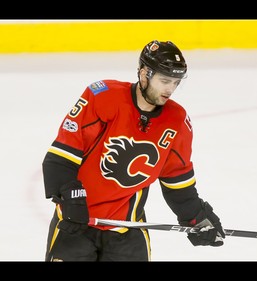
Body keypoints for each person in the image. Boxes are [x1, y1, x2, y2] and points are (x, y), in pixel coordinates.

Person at [42, 40, 225, 261]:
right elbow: (61, 157)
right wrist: (71, 197)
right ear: (143, 73)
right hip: (76, 222)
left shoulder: (176, 121)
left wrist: (196, 217)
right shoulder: (103, 97)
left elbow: (176, 180)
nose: (170, 89)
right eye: (165, 80)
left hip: (127, 232)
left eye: (176, 82)